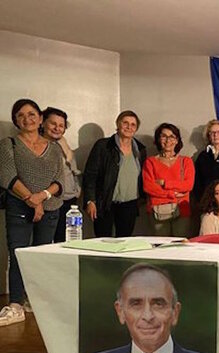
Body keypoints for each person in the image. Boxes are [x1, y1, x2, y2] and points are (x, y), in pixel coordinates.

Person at [77, 263, 215, 353]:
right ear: (120, 312)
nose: (148, 316)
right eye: (136, 304)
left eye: (158, 304)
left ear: (175, 312)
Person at [0, 99, 64, 326]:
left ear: (39, 117)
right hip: (19, 207)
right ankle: (16, 304)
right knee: (18, 254)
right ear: (16, 120)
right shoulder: (9, 144)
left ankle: (33, 300)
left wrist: (41, 197)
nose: (27, 119)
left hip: (50, 209)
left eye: (32, 114)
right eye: (21, 115)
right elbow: (7, 176)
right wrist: (31, 199)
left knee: (41, 257)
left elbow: (59, 180)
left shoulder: (55, 148)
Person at [83, 110, 147, 237]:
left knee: (124, 242)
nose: (129, 127)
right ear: (118, 124)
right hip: (105, 202)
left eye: (133, 125)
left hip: (130, 205)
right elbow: (90, 175)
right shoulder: (103, 146)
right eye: (125, 123)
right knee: (103, 241)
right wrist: (90, 200)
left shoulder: (140, 149)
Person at [142, 123, 194, 237]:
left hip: (182, 210)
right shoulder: (150, 162)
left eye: (172, 137)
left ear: (177, 140)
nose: (168, 140)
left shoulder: (186, 161)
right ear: (158, 139)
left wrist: (164, 183)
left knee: (180, 246)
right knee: (161, 247)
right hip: (157, 211)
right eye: (164, 136)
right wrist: (172, 194)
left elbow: (188, 185)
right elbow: (148, 187)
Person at [40, 107, 82, 243]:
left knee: (65, 242)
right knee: (44, 243)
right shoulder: (38, 145)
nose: (57, 128)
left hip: (69, 200)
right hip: (48, 201)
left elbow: (72, 170)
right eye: (53, 124)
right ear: (42, 122)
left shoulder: (63, 144)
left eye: (61, 125)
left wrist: (77, 189)